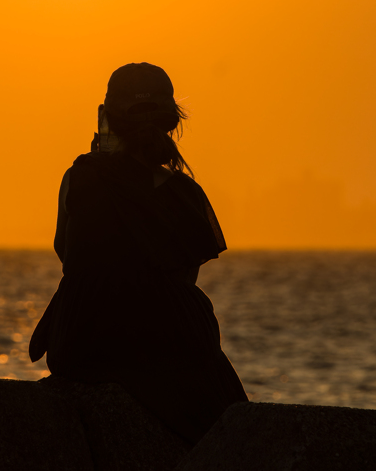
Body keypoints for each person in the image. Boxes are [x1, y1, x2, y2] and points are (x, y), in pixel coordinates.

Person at [29, 62, 248, 444]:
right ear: (171, 122)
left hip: (85, 336)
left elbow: (69, 256)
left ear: (107, 118)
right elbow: (183, 278)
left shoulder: (80, 176)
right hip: (173, 339)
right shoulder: (188, 195)